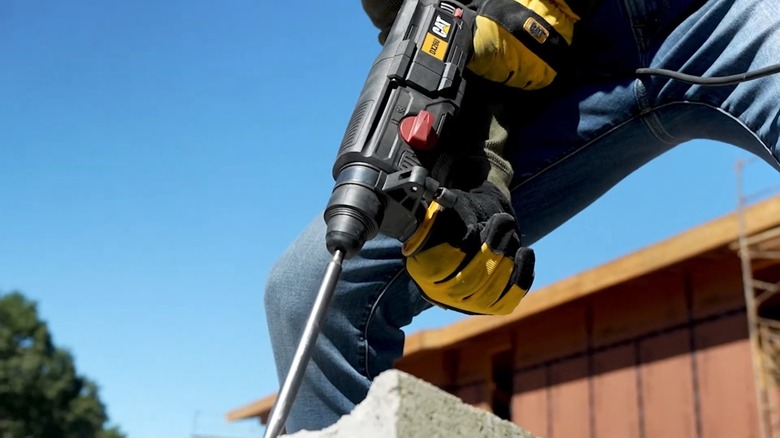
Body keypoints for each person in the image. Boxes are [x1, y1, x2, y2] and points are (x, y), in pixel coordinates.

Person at [265, 0, 780, 433]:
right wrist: (475, 169)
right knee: (313, 290)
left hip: (715, 11)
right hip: (548, 74)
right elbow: (442, 28)